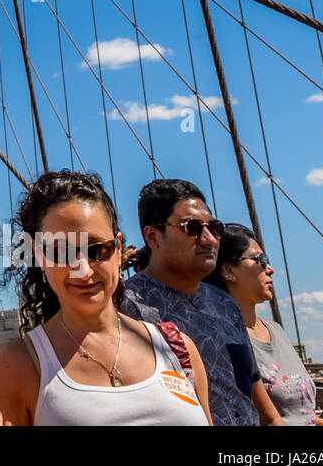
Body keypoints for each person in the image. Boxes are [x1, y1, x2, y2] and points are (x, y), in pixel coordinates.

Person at [0, 170, 212, 426]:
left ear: (117, 250)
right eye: (62, 252)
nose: (83, 269)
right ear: (39, 257)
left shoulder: (178, 348)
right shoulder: (18, 364)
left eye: (98, 250)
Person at [120, 179, 284, 426]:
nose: (209, 239)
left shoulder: (225, 305)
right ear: (153, 237)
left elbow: (264, 410)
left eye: (214, 227)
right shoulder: (125, 308)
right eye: (192, 228)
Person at [205, 224, 323, 427]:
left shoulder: (276, 331)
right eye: (260, 260)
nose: (270, 269)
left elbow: (302, 417)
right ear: (228, 270)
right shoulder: (224, 341)